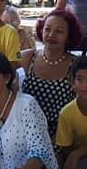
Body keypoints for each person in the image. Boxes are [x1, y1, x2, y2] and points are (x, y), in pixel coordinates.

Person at [20, 9, 82, 142]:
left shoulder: (77, 65)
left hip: (62, 134)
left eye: (59, 31)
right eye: (47, 29)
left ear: (69, 36)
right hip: (25, 132)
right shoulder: (27, 57)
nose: (51, 35)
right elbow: (0, 70)